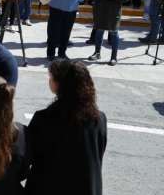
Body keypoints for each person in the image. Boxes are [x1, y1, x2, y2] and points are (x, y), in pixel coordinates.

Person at [26, 60, 107, 195]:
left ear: (59, 84)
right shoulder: (99, 119)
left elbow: (29, 156)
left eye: (51, 77)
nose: (49, 80)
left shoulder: (44, 119)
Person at [88, 0, 128, 66]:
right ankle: (97, 53)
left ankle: (114, 57)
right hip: (100, 11)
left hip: (113, 11)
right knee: (99, 31)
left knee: (114, 33)